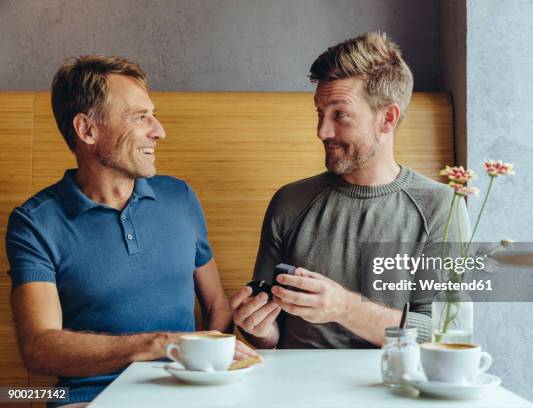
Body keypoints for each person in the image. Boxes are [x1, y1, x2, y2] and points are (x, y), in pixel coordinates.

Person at [5, 55, 258, 407]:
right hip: (89, 398)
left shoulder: (180, 197)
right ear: (87, 130)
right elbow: (40, 347)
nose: (159, 130)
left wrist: (209, 363)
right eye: (140, 117)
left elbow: (216, 303)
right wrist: (156, 344)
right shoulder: (34, 223)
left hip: (188, 393)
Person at [230, 32, 469, 349]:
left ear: (387, 118)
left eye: (339, 115)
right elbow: (271, 337)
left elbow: (447, 334)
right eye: (320, 113)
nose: (322, 131)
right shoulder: (289, 202)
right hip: (299, 393)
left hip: (393, 388)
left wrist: (344, 307)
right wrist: (258, 328)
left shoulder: (441, 207)